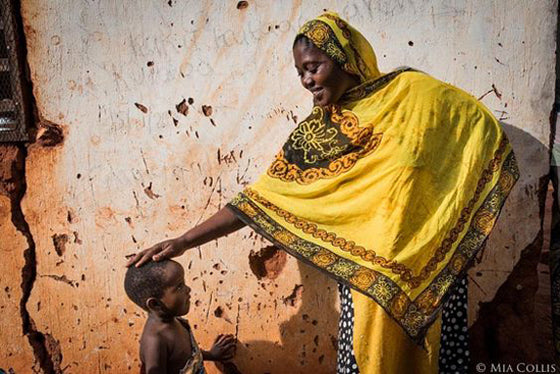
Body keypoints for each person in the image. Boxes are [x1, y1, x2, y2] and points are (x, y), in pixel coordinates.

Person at [127, 11, 519, 373]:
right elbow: (260, 201)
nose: (307, 80)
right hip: (368, 281)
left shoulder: (412, 93)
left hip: (430, 271)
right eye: (300, 73)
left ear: (344, 58)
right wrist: (182, 241)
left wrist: (459, 224)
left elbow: (475, 128)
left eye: (313, 67)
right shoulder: (316, 137)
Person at [124, 259, 236, 374]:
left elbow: (186, 355)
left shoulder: (175, 321)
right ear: (155, 304)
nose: (188, 289)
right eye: (179, 287)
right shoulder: (156, 341)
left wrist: (212, 355)